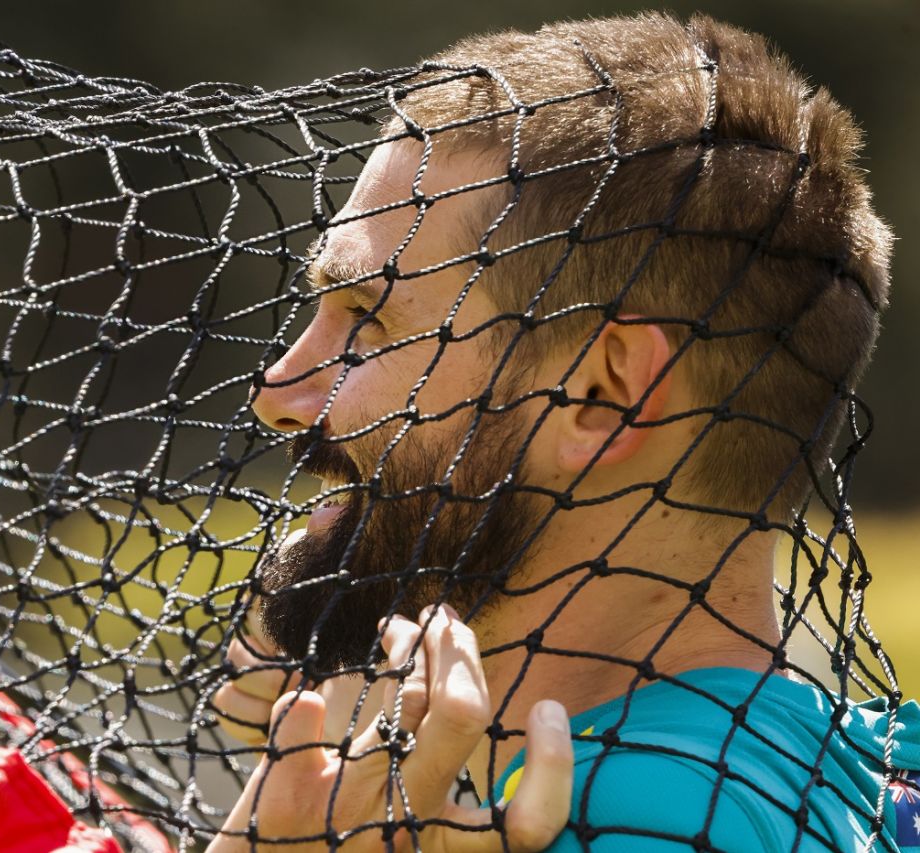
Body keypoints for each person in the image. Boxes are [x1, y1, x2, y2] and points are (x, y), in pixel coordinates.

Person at [208, 12, 920, 852]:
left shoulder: (630, 820)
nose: (279, 390)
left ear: (604, 394)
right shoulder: (871, 767)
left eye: (365, 318)